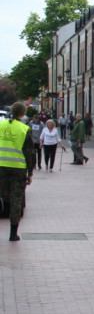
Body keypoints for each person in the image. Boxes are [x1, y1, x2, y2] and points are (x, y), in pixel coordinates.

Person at [0, 102, 35, 241]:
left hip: (0, 165)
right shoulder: (24, 129)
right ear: (22, 113)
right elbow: (29, 153)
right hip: (17, 168)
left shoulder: (1, 125)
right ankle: (13, 233)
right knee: (16, 198)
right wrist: (30, 173)